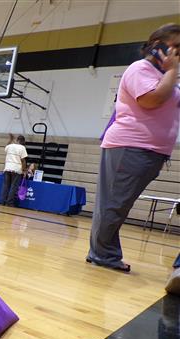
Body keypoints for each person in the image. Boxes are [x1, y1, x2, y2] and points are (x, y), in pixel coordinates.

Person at [87, 23, 180, 273]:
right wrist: (172, 70)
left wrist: (171, 73)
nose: (179, 54)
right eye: (176, 47)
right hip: (130, 146)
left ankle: (102, 252)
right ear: (157, 46)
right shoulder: (141, 69)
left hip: (148, 150)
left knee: (116, 203)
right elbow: (152, 99)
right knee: (113, 204)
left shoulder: (166, 76)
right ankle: (102, 255)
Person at [0, 134, 27, 206]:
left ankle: (2, 201)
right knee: (13, 186)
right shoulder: (22, 148)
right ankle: (9, 202)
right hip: (16, 169)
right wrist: (24, 170)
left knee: (5, 185)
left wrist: (10, 139)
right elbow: (23, 160)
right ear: (23, 142)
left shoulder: (10, 146)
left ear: (17, 140)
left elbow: (6, 147)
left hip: (7, 168)